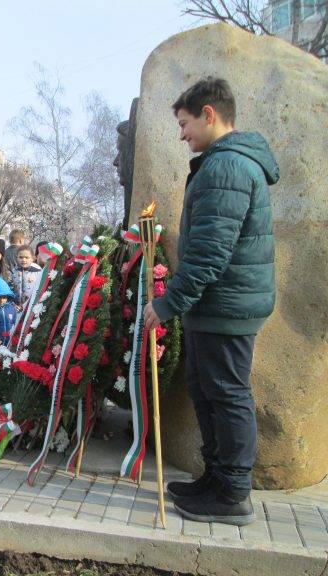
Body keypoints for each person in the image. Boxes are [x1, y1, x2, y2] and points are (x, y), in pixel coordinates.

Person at [144, 77, 278, 527]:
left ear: (209, 114)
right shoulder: (220, 163)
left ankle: (234, 492)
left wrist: (166, 305)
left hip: (227, 305)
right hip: (216, 306)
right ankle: (216, 479)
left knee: (227, 395)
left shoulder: (226, 168)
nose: (181, 134)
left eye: (184, 123)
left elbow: (209, 252)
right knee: (207, 390)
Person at [10, 245, 42, 310]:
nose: (23, 260)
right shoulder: (14, 271)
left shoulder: (38, 271)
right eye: (21, 257)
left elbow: (41, 287)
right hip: (17, 306)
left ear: (32, 258)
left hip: (31, 305)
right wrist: (13, 303)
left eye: (27, 257)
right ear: (17, 258)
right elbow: (11, 287)